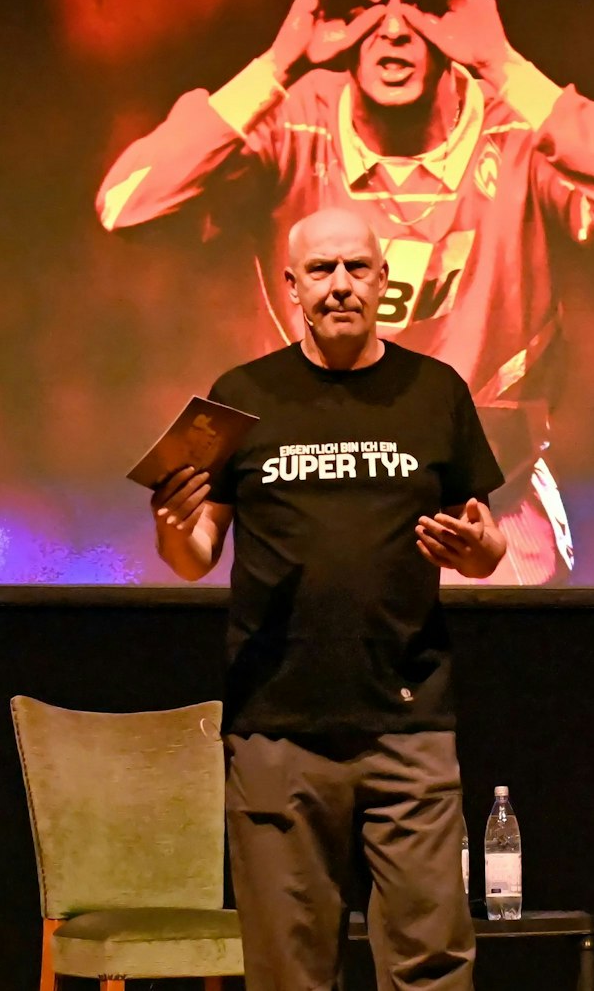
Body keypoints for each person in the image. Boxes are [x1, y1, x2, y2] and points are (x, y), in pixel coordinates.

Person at [98, 0, 594, 584]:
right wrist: (278, 60)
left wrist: (503, 63)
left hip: (485, 498)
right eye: (362, 0)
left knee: (505, 674)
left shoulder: (515, 125)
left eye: (430, 1)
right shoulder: (292, 123)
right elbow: (125, 204)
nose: (395, 27)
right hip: (319, 488)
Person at [150, 207, 506, 990]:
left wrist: (483, 551)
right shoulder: (237, 397)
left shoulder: (436, 390)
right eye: (321, 270)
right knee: (287, 970)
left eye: (356, 268)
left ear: (385, 280)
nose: (339, 285)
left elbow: (486, 542)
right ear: (291, 287)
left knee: (434, 963)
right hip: (277, 725)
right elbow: (195, 552)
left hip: (410, 717)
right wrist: (175, 531)